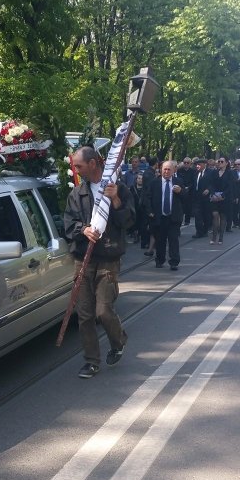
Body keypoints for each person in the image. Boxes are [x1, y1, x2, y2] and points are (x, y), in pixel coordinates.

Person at [63, 146, 135, 379]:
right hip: (83, 258)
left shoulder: (120, 189)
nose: (76, 169)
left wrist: (115, 199)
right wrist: (83, 229)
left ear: (93, 164)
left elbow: (129, 221)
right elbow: (68, 225)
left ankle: (118, 340)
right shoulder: (77, 193)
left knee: (103, 310)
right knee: (84, 314)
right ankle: (91, 361)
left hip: (108, 258)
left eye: (79, 166)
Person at [145, 160, 185, 271]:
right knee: (160, 240)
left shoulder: (178, 182)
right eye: (164, 169)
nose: (166, 172)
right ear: (161, 170)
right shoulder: (154, 183)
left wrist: (181, 191)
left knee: (173, 240)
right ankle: (159, 260)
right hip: (159, 216)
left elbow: (186, 198)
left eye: (169, 170)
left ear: (173, 171)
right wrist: (150, 211)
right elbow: (147, 198)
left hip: (173, 217)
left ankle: (174, 262)